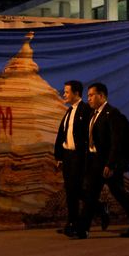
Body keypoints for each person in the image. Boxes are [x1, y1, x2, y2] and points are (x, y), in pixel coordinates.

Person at [77, 82, 129, 239]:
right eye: (88, 96)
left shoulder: (112, 114)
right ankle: (83, 229)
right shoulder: (93, 115)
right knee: (91, 195)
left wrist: (111, 164)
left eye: (92, 95)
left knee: (119, 193)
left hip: (108, 163)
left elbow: (116, 142)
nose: (89, 99)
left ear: (101, 96)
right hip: (94, 161)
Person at [53, 80, 92, 237]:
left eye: (67, 92)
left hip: (79, 156)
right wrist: (59, 157)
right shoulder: (69, 111)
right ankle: (74, 221)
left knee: (74, 190)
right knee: (71, 190)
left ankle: (74, 223)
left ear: (76, 93)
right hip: (68, 156)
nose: (64, 94)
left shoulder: (86, 110)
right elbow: (62, 135)